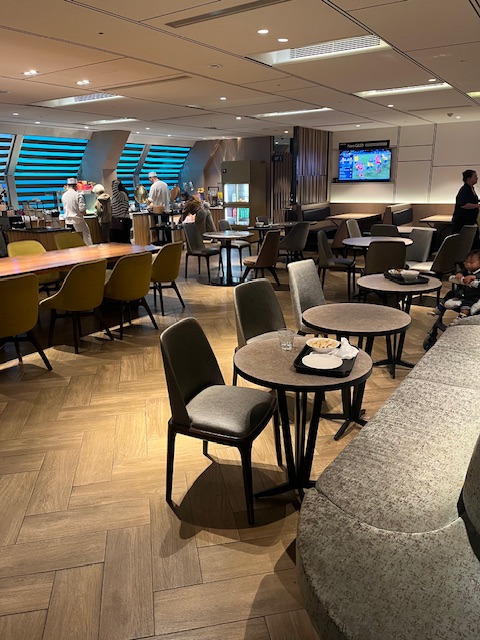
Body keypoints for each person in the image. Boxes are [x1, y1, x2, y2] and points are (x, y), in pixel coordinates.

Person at [432, 249, 480, 318]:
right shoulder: (467, 270)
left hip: (474, 295)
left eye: (471, 262)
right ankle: (440, 308)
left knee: (468, 303)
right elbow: (460, 272)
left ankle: (462, 316)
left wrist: (474, 277)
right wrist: (459, 274)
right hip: (463, 292)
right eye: (466, 262)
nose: (468, 264)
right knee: (450, 293)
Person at [452, 169, 480, 248]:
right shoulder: (464, 190)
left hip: (470, 220)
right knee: (467, 244)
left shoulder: (471, 189)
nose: (477, 178)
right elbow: (463, 205)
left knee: (475, 241)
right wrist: (478, 206)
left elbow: (472, 200)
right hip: (463, 222)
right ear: (469, 178)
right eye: (475, 176)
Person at [62, 177, 92, 245]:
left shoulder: (64, 196)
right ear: (76, 186)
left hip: (68, 222)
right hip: (78, 221)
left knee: (72, 242)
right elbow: (82, 210)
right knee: (86, 239)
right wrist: (84, 212)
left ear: (67, 185)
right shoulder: (78, 195)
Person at [147, 171, 171, 242]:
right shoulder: (165, 184)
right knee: (167, 227)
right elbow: (169, 196)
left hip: (158, 212)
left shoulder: (154, 186)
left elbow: (150, 199)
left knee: (160, 229)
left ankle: (161, 243)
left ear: (151, 178)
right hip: (166, 210)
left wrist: (147, 205)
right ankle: (169, 243)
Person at [111, 179, 132, 243]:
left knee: (122, 241)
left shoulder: (121, 195)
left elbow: (114, 191)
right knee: (120, 241)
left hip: (122, 221)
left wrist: (116, 182)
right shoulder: (119, 196)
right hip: (119, 221)